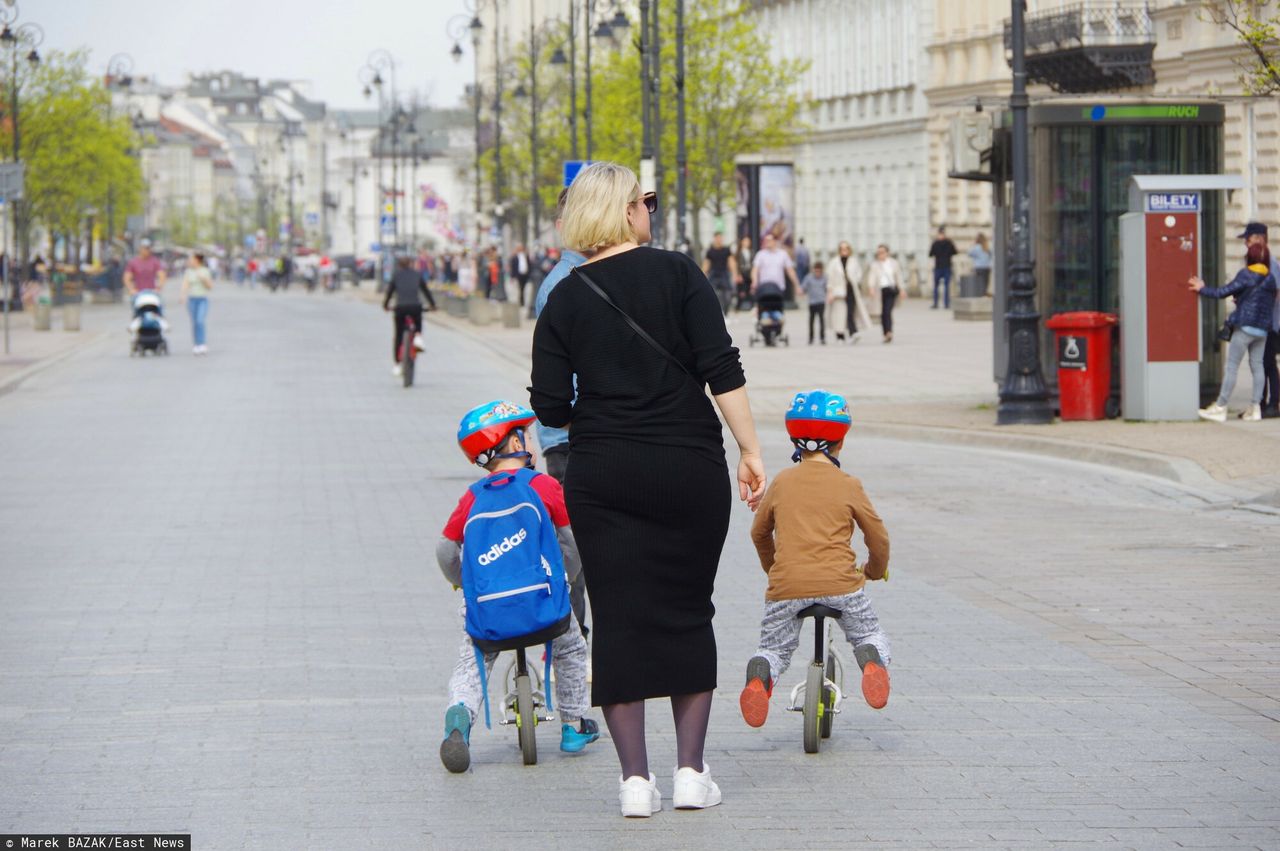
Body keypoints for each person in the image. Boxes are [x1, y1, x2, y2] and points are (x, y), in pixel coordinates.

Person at [530, 162, 767, 818]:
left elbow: (549, 402)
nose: (650, 211)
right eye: (645, 202)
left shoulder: (564, 299)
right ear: (627, 210)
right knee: (689, 609)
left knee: (619, 617)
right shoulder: (679, 273)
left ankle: (636, 782)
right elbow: (722, 366)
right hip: (688, 464)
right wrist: (749, 449)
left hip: (602, 472)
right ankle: (691, 771)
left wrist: (606, 418)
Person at [435, 401, 600, 773]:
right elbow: (572, 542)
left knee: (473, 661)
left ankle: (459, 719)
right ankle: (574, 726)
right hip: (545, 606)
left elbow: (445, 550)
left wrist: (466, 582)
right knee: (571, 648)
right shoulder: (543, 485)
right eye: (523, 435)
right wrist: (566, 577)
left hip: (489, 610)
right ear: (512, 444)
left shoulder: (473, 497)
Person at [740, 390, 891, 727]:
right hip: (841, 584)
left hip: (787, 586)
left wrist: (775, 569)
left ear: (794, 439)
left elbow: (758, 533)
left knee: (774, 649)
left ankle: (760, 676)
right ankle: (871, 660)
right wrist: (875, 570)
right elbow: (877, 536)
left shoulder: (780, 483)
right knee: (868, 633)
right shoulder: (848, 484)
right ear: (841, 441)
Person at [534, 188, 589, 640]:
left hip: (568, 437)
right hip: (573, 438)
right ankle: (574, 643)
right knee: (577, 549)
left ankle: (577, 642)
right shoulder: (568, 283)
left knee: (579, 547)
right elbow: (559, 379)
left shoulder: (573, 277)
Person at [1191, 242, 1277, 422]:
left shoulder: (1246, 275)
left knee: (1232, 367)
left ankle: (1220, 407)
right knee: (1258, 366)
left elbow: (1224, 292)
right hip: (1262, 331)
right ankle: (1255, 408)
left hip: (1245, 327)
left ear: (1249, 258)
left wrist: (1202, 288)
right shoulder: (1270, 279)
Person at [1238, 222, 1280, 418]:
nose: (1246, 242)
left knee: (1268, 363)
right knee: (1259, 363)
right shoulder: (1256, 261)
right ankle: (1259, 403)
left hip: (1270, 322)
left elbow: (1276, 293)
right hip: (1260, 321)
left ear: (1261, 238)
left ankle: (1272, 404)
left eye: (1250, 238)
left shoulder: (1271, 264)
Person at [382, 255, 437, 377]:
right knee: (418, 319)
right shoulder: (417, 274)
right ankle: (418, 336)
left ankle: (397, 364)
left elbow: (389, 292)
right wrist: (433, 305)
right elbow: (426, 291)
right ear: (411, 264)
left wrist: (385, 305)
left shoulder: (396, 275)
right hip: (415, 306)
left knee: (398, 335)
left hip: (400, 307)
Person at [827, 241, 868, 343]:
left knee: (850, 312)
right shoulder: (834, 262)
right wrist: (830, 292)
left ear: (849, 250)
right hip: (838, 292)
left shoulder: (853, 261)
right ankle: (840, 335)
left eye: (846, 249)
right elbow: (830, 278)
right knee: (839, 314)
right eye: (842, 249)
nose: (844, 251)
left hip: (851, 290)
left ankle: (853, 332)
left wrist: (854, 280)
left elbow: (859, 274)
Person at [751, 232, 799, 310]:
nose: (767, 242)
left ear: (775, 241)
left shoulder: (783, 254)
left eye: (769, 240)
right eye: (765, 240)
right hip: (764, 288)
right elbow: (755, 270)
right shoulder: (760, 254)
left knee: (777, 310)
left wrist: (797, 285)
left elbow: (790, 271)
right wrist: (754, 282)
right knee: (763, 310)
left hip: (779, 288)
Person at [868, 244, 904, 343]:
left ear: (887, 253)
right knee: (883, 313)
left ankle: (889, 332)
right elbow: (872, 277)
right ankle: (885, 333)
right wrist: (871, 288)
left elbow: (898, 276)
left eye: (882, 252)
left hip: (891, 290)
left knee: (887, 311)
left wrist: (902, 289)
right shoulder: (875, 265)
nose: (880, 254)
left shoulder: (893, 263)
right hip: (880, 291)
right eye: (879, 252)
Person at [180, 253, 214, 356]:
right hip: (192, 299)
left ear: (197, 260)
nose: (190, 261)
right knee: (194, 322)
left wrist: (202, 278)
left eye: (192, 259)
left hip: (202, 299)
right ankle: (196, 344)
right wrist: (183, 295)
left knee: (200, 321)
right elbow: (185, 284)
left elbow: (210, 286)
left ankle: (202, 343)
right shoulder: (189, 272)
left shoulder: (205, 271)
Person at [701, 231, 738, 317]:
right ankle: (716, 312)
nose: (719, 240)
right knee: (711, 293)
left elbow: (732, 262)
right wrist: (702, 276)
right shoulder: (710, 251)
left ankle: (726, 312)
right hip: (714, 273)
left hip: (724, 273)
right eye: (717, 238)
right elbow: (706, 264)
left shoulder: (726, 250)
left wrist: (735, 274)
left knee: (728, 294)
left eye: (720, 238)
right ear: (714, 239)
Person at [928, 226, 957, 310]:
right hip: (946, 266)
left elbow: (930, 254)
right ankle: (946, 304)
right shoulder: (949, 243)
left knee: (937, 286)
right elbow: (955, 252)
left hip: (939, 266)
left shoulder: (935, 243)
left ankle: (936, 303)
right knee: (945, 286)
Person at [800, 260, 828, 345]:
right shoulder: (808, 277)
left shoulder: (825, 278)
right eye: (816, 271)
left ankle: (822, 338)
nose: (817, 273)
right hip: (812, 302)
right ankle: (811, 338)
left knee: (821, 320)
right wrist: (801, 292)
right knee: (811, 321)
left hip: (821, 302)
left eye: (819, 271)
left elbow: (828, 288)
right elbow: (803, 288)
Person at [509, 243, 532, 309]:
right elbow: (513, 267)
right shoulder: (515, 257)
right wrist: (512, 276)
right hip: (518, 275)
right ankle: (520, 301)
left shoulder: (526, 256)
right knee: (519, 289)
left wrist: (529, 273)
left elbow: (529, 265)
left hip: (525, 275)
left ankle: (522, 301)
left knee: (524, 288)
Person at [734, 236, 754, 311]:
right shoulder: (738, 252)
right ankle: (737, 308)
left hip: (749, 273)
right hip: (742, 273)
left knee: (750, 291)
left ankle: (752, 307)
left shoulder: (751, 252)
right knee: (741, 292)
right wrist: (738, 274)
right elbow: (737, 264)